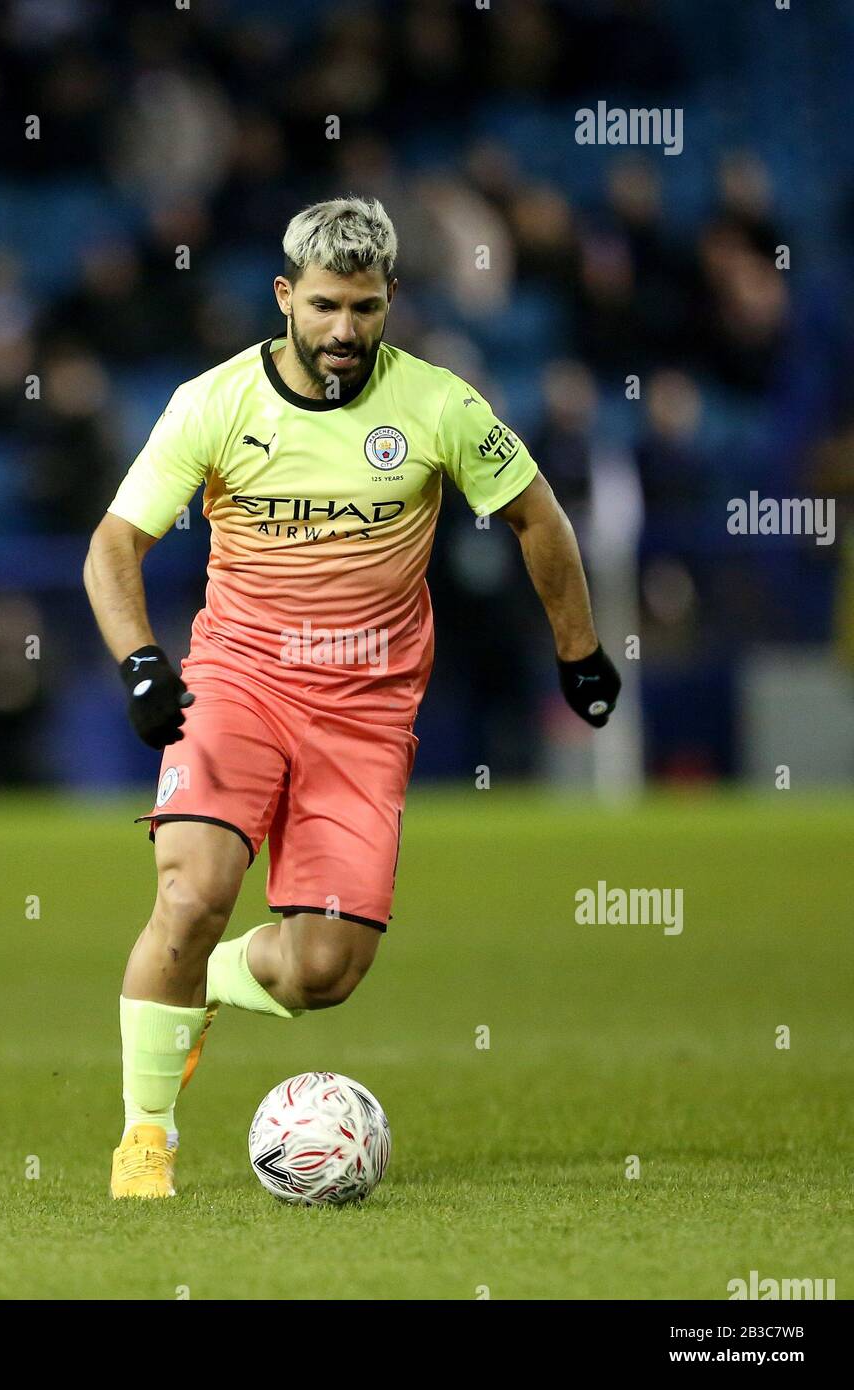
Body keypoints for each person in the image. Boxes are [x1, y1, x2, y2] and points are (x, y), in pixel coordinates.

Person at [83, 196, 621, 1198]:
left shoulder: (439, 406)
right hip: (237, 683)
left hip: (366, 711)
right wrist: (143, 663)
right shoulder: (212, 402)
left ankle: (202, 981)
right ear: (284, 297)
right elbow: (114, 546)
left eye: (365, 308)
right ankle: (144, 1138)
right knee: (191, 891)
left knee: (323, 971)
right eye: (325, 305)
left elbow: (536, 517)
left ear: (389, 303)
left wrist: (577, 651)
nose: (343, 330)